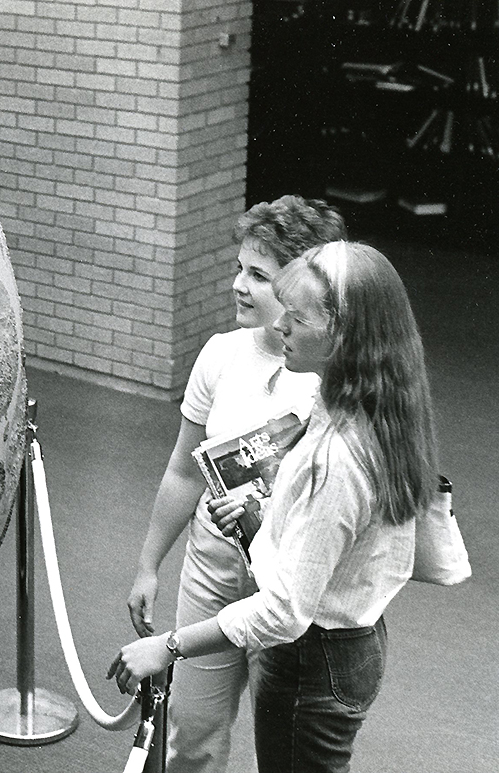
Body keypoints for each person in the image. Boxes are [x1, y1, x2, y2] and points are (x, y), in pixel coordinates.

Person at [109, 241, 439, 773]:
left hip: (314, 657)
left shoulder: (337, 454)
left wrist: (168, 647)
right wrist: (262, 524)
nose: (279, 324)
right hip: (345, 644)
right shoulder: (364, 408)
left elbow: (285, 610)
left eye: (297, 316)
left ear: (341, 335)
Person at [126, 196, 346, 773]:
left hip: (284, 587)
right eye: (239, 269)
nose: (238, 286)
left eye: (259, 275)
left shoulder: (333, 383)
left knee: (284, 752)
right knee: (192, 738)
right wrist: (149, 565)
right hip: (210, 568)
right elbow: (182, 468)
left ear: (301, 290)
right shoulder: (219, 355)